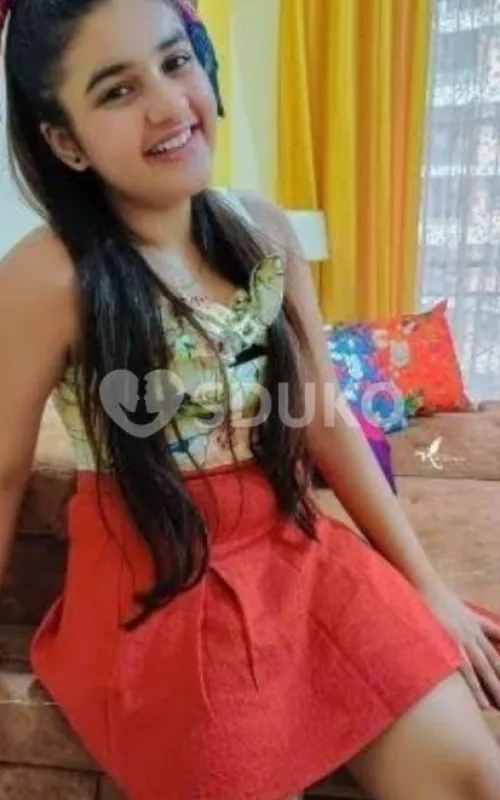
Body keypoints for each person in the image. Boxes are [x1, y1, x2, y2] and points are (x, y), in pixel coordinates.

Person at [0, 1, 500, 798]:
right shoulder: (46, 274)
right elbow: (2, 475)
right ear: (65, 141)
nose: (168, 104)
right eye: (118, 90)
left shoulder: (263, 230)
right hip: (157, 583)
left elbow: (323, 416)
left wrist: (427, 588)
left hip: (294, 548)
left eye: (175, 62)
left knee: (474, 777)